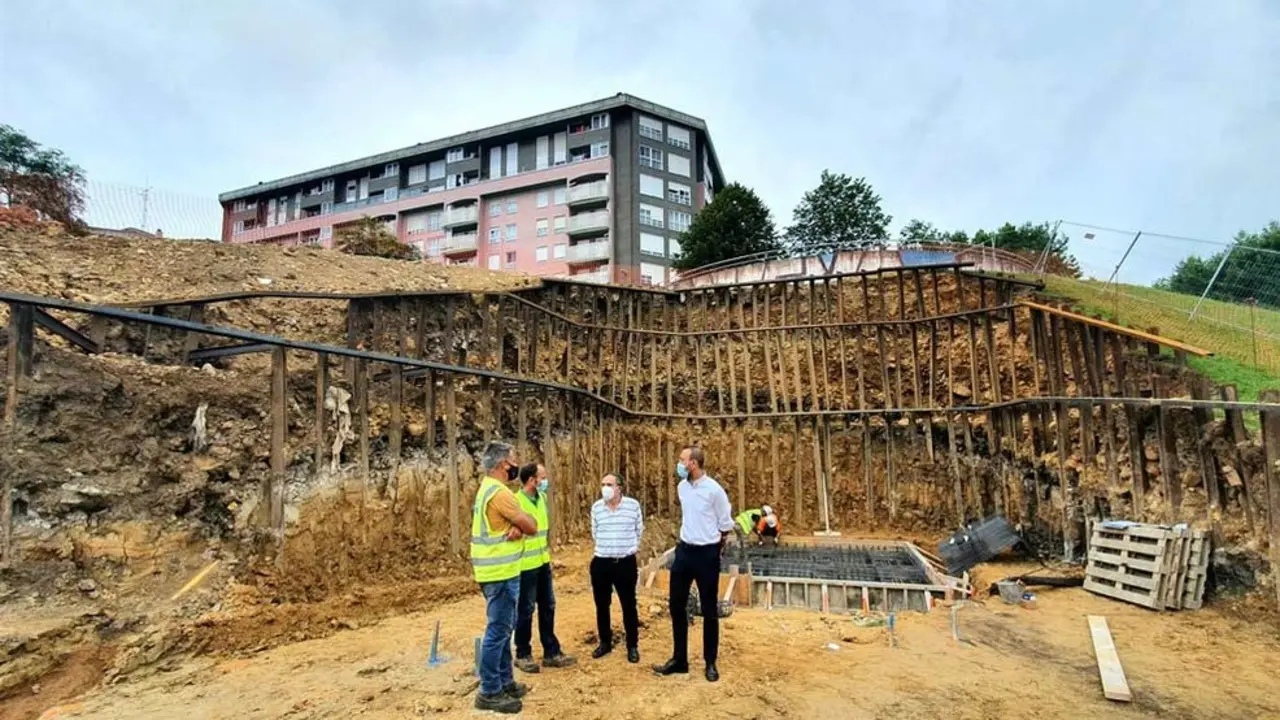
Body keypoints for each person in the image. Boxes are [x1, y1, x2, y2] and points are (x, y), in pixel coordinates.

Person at [654, 446, 735, 683]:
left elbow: (725, 524)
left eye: (682, 460)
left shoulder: (714, 491)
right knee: (676, 606)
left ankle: (710, 662)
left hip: (707, 554)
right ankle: (680, 660)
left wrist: (713, 548)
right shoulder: (682, 487)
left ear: (693, 464)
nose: (678, 464)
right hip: (684, 551)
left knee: (709, 610)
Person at [470, 441, 538, 714]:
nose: (516, 464)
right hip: (499, 573)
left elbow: (513, 525)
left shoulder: (486, 489)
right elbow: (531, 526)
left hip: (495, 571)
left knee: (503, 629)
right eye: (513, 460)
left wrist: (515, 526)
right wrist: (521, 525)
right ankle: (489, 690)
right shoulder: (500, 493)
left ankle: (505, 682)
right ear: (502, 465)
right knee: (498, 632)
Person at [512, 463, 576, 673]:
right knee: (526, 609)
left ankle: (551, 651)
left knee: (548, 606)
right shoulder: (516, 502)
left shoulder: (542, 499)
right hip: (525, 565)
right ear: (532, 480)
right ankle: (523, 653)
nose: (545, 481)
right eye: (543, 477)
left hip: (542, 562)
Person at [589, 472, 644, 664]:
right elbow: (595, 532)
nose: (605, 488)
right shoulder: (597, 508)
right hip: (601, 562)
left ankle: (632, 645)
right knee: (602, 604)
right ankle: (605, 642)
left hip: (625, 563)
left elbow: (639, 531)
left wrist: (627, 548)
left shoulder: (632, 506)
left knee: (629, 605)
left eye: (610, 484)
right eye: (603, 484)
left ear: (619, 487)